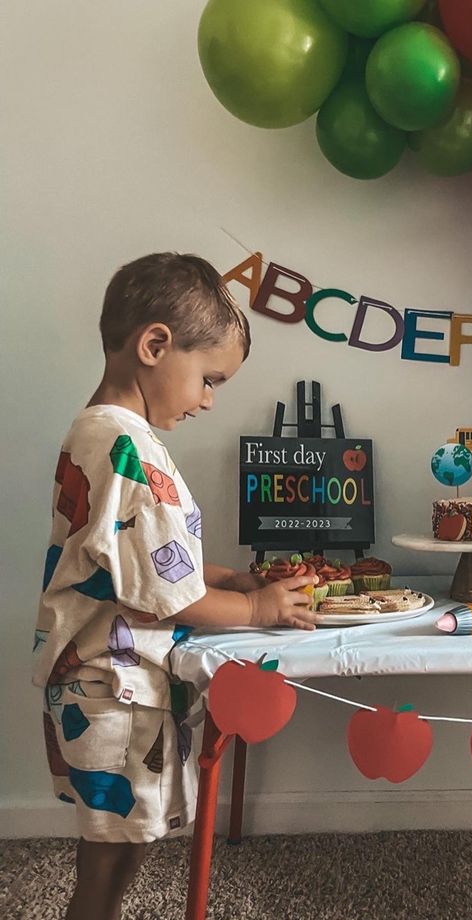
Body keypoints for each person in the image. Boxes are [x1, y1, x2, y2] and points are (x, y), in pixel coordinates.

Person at [32, 253, 317, 920]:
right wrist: (257, 606)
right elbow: (172, 595)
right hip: (113, 687)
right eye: (209, 379)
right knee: (105, 863)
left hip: (115, 681)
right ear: (156, 345)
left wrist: (232, 577)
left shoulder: (107, 436)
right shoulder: (125, 447)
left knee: (127, 842)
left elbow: (146, 562)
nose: (209, 401)